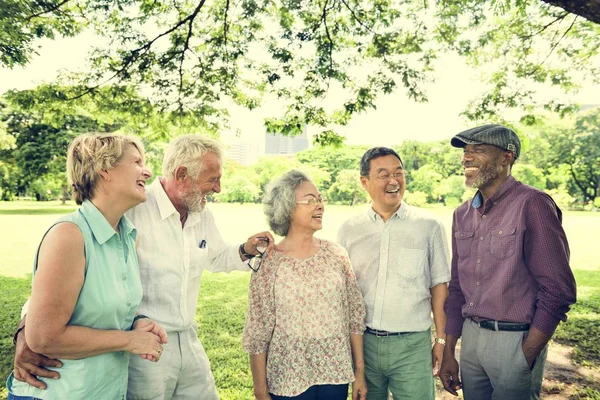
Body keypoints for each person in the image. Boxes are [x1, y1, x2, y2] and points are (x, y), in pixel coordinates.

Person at [13, 134, 276, 399]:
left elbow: (216, 257)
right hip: (139, 350)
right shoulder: (128, 209)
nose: (218, 188)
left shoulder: (168, 221)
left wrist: (245, 250)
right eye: (212, 179)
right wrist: (28, 329)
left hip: (182, 338)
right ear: (182, 174)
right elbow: (57, 278)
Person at [7, 133, 167, 400]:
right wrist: (129, 340)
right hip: (55, 393)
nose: (147, 172)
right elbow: (44, 337)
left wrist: (137, 323)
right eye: (137, 162)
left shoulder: (128, 237)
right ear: (104, 169)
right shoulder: (69, 235)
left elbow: (102, 310)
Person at [439, 124, 577, 400]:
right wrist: (448, 350)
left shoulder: (533, 204)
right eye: (466, 151)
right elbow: (457, 288)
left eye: (477, 150)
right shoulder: (462, 214)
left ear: (507, 157)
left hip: (515, 341)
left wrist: (526, 353)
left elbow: (558, 289)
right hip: (471, 341)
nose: (466, 157)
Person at [243, 170, 367, 400]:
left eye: (320, 199)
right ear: (287, 208)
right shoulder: (269, 262)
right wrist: (260, 390)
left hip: (335, 375)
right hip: (287, 380)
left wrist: (359, 372)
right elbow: (257, 331)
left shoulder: (336, 254)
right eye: (311, 200)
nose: (320, 206)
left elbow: (355, 315)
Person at [338, 147, 451, 400]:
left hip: (412, 346)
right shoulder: (349, 230)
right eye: (384, 174)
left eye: (399, 173)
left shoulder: (429, 226)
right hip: (363, 345)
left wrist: (441, 340)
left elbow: (439, 287)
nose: (393, 181)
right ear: (364, 182)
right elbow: (343, 292)